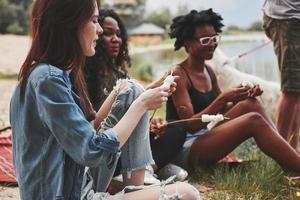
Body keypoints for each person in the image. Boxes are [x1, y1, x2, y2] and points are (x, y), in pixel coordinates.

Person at [9, 0, 200, 199]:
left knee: (132, 88)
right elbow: (92, 151)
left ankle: (135, 188)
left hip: (77, 182)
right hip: (67, 194)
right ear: (69, 24)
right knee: (187, 194)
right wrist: (141, 105)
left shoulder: (55, 73)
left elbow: (84, 132)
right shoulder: (48, 79)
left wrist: (136, 95)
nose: (99, 30)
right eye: (93, 21)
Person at [162, 8, 300, 176]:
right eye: (205, 40)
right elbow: (190, 125)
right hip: (185, 149)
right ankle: (294, 164)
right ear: (188, 44)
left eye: (214, 38)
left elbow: (223, 110)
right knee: (253, 120)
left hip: (203, 139)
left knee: (251, 105)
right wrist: (222, 98)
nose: (212, 44)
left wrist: (240, 96)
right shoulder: (179, 74)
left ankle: (288, 163)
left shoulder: (208, 71)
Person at [84, 9, 188, 188]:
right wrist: (143, 99)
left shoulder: (119, 73)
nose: (115, 39)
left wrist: (149, 120)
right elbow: (95, 125)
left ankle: (147, 169)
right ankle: (147, 170)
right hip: (106, 145)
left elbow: (131, 108)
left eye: (118, 34)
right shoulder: (83, 75)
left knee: (176, 129)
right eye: (108, 33)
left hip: (127, 141)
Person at [262, 0, 300, 152]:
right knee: (291, 89)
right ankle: (280, 157)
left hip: (289, 18)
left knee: (297, 89)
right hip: (287, 18)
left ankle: (292, 150)